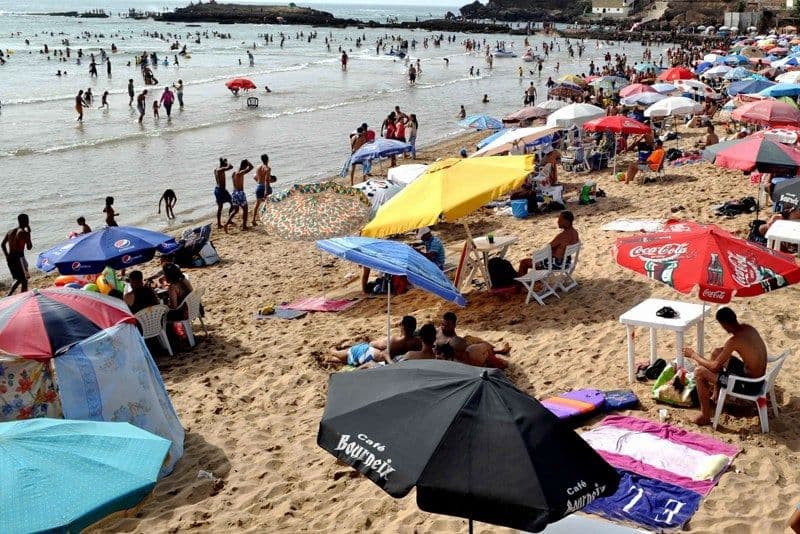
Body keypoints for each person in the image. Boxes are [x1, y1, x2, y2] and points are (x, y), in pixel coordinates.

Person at [682, 307, 768, 426]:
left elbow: (713, 367)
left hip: (749, 385)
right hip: (758, 377)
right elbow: (721, 358)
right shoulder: (749, 329)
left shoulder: (734, 341)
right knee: (716, 352)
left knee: (699, 372)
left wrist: (693, 355)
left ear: (724, 325)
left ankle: (705, 416)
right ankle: (716, 395)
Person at [326, 315, 422, 367]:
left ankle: (332, 351)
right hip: (379, 358)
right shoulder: (416, 342)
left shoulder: (394, 340)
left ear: (402, 326)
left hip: (371, 355)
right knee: (346, 358)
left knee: (350, 352)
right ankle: (331, 359)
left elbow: (374, 344)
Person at [436, 312, 510, 368]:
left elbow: (467, 354)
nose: (444, 327)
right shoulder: (439, 331)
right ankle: (495, 351)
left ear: (454, 326)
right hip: (451, 360)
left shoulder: (454, 340)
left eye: (447, 326)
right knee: (474, 344)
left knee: (473, 342)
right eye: (442, 324)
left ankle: (495, 350)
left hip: (464, 352)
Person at [517, 211, 578, 276]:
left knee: (524, 262)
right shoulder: (575, 233)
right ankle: (538, 282)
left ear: (567, 221)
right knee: (539, 260)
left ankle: (520, 285)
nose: (558, 222)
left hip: (556, 264)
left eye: (560, 220)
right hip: (566, 262)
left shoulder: (562, 236)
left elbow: (548, 248)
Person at [2, 214, 32, 296]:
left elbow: (2, 244)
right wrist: (29, 233)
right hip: (19, 258)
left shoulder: (10, 231)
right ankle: (23, 297)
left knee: (19, 279)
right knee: (24, 281)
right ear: (26, 222)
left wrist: (7, 255)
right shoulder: (23, 233)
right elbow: (29, 247)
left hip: (10, 258)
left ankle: (8, 295)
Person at [225, 159, 254, 232]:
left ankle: (226, 224)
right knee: (245, 210)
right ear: (244, 166)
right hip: (240, 193)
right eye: (245, 166)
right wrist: (248, 161)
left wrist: (246, 163)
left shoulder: (234, 173)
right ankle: (244, 226)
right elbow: (251, 167)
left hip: (234, 193)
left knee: (235, 210)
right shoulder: (240, 173)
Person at [252, 153, 274, 226]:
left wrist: (259, 183)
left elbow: (254, 177)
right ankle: (268, 219)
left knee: (257, 204)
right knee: (269, 203)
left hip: (258, 186)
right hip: (265, 187)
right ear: (268, 159)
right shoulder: (267, 168)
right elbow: (266, 180)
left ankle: (253, 220)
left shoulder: (258, 167)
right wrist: (266, 190)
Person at [214, 158, 234, 228]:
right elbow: (231, 166)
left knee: (222, 206)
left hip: (218, 189)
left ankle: (222, 222)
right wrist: (227, 162)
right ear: (223, 164)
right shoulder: (220, 169)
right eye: (224, 164)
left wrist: (224, 163)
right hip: (220, 190)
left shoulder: (216, 169)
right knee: (231, 203)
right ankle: (225, 221)